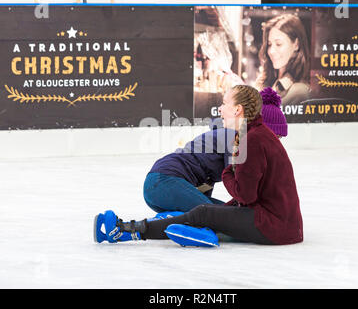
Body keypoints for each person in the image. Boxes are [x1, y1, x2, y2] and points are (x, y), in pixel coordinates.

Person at [94, 85, 303, 246]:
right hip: (168, 181)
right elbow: (245, 192)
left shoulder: (252, 139)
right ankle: (140, 228)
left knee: (207, 213)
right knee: (207, 212)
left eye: (224, 103)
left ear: (238, 109)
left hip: (275, 225)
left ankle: (131, 230)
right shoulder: (250, 137)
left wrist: (227, 175)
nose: (220, 109)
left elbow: (245, 195)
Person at [143, 87, 288, 215]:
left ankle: (172, 220)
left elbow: (207, 181)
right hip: (165, 181)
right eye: (277, 137)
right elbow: (241, 185)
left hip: (159, 186)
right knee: (228, 216)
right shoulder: (237, 137)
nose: (276, 142)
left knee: (222, 212)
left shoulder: (233, 136)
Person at [256, 13, 311, 105]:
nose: (271, 51)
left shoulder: (300, 91)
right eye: (269, 44)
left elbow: (267, 116)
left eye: (279, 44)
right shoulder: (269, 81)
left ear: (296, 44)